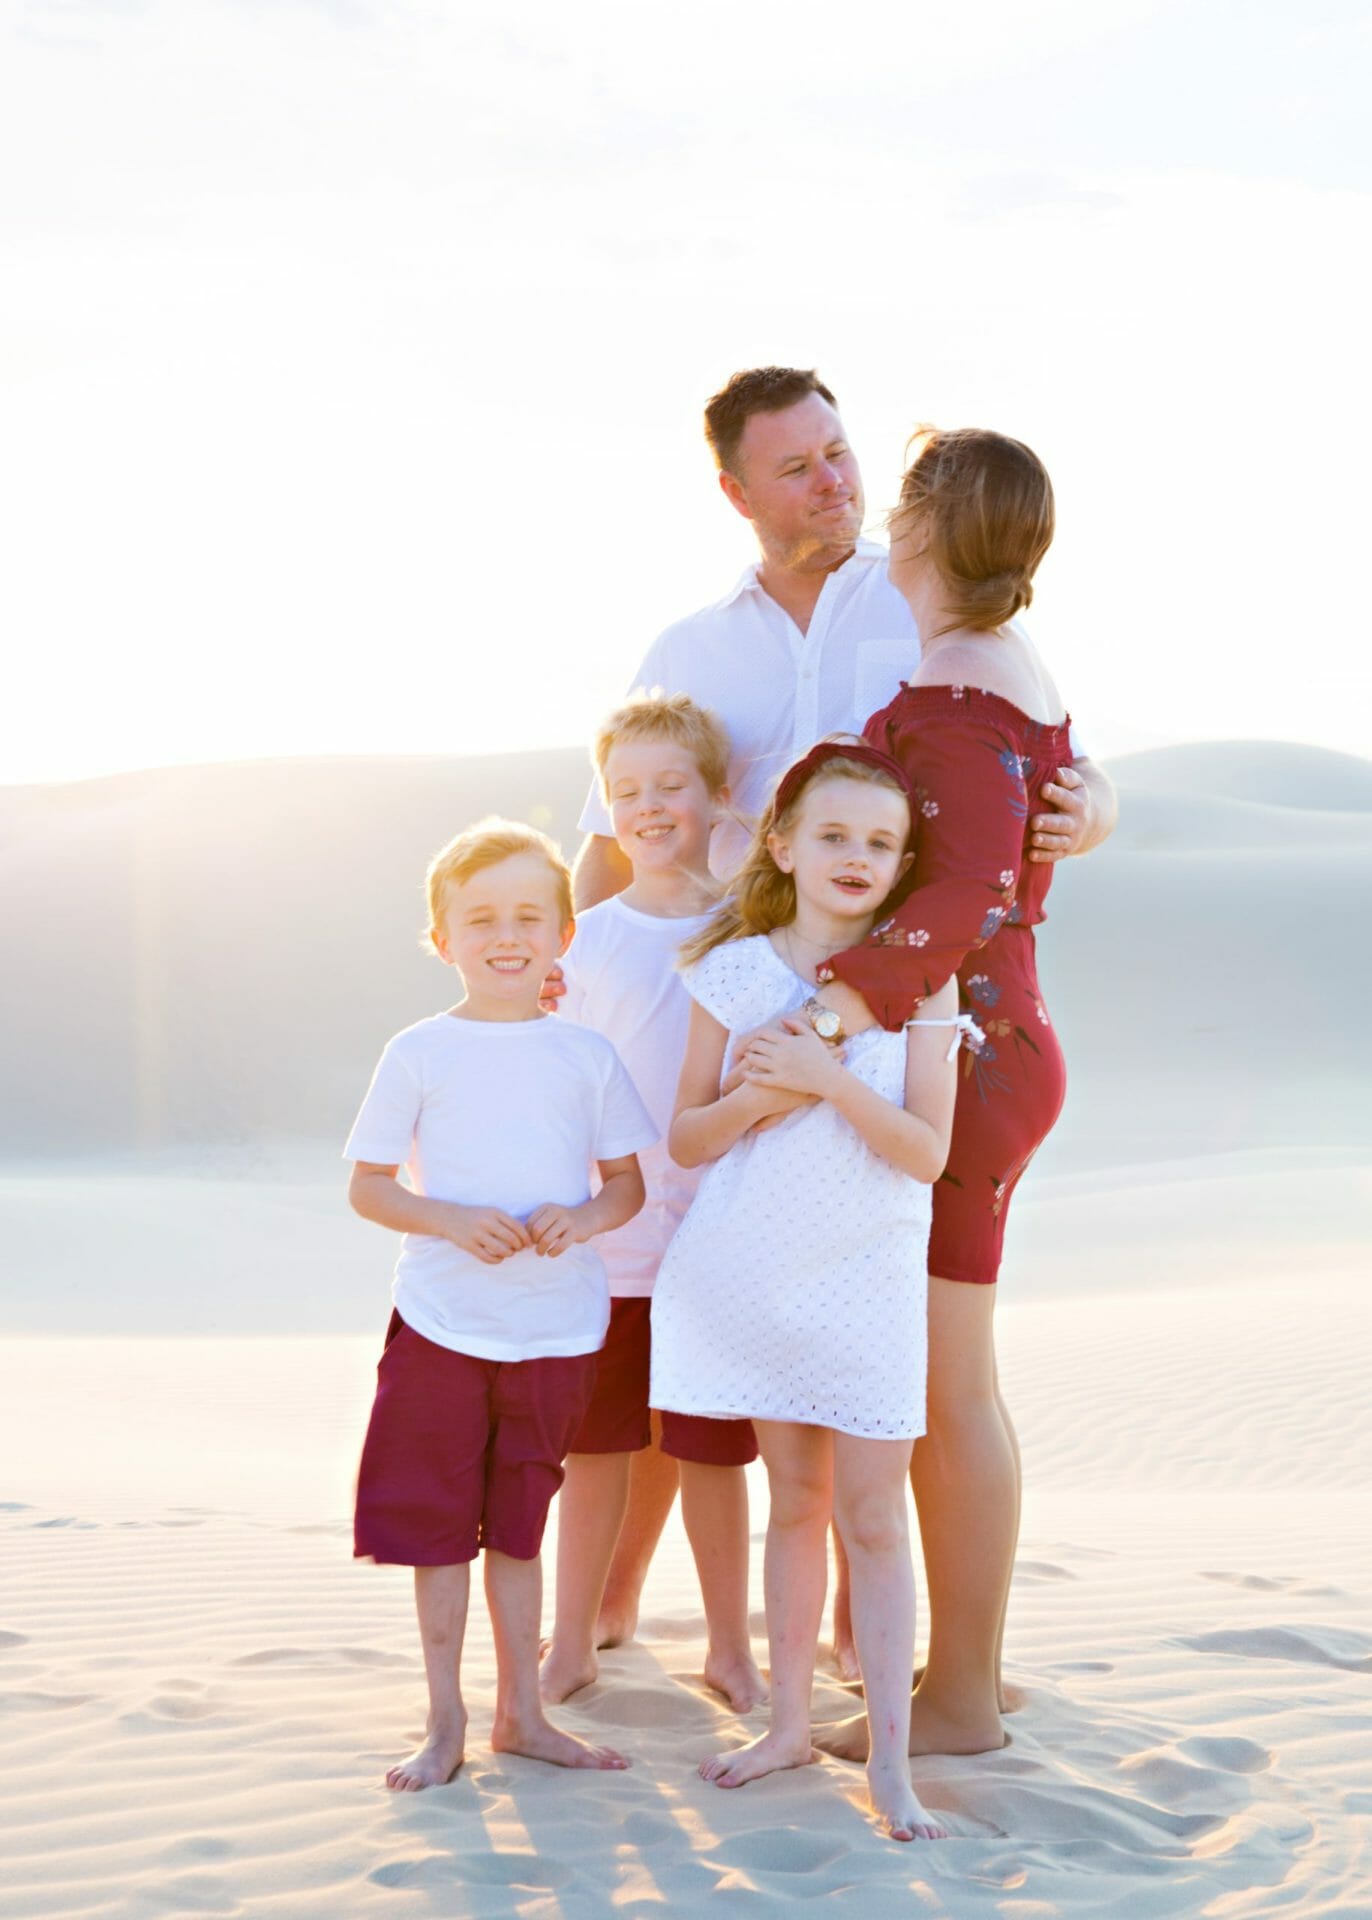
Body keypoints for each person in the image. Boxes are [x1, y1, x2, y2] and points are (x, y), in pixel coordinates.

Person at [569, 364, 1116, 1675]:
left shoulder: (932, 605)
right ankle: (613, 1610)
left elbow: (1031, 774)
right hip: (739, 1012)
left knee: (882, 1343)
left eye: (840, 452)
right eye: (798, 466)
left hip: (886, 1026)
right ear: (737, 491)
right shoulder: (689, 649)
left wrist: (1099, 806)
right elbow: (613, 827)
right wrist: (563, 1008)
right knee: (685, 1293)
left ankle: (877, 1643)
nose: (835, 482)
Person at [785, 426, 1076, 1762]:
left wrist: (835, 1008)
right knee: (961, 1385)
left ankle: (957, 1698)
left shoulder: (958, 688)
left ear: (921, 529)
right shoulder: (1006, 670)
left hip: (964, 1061)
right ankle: (970, 1673)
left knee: (947, 1392)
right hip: (988, 1046)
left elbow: (965, 892)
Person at [651, 743, 974, 1844]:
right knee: (791, 1503)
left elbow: (926, 1153)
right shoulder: (732, 971)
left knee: (872, 1517)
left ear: (902, 865)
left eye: (880, 843)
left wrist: (827, 1079)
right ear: (783, 845)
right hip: (753, 1271)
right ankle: (787, 1727)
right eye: (833, 834)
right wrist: (761, 1100)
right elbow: (687, 1138)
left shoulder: (920, 980)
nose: (856, 857)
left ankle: (890, 1765)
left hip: (866, 1278)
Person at [345, 819, 656, 1790]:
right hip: (441, 1325)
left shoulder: (586, 1056)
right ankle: (445, 1721)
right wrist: (445, 1218)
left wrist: (582, 1218)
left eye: (528, 916)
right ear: (444, 939)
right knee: (438, 1529)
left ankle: (522, 1715)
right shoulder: (418, 1052)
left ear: (564, 933)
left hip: (556, 1328)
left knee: (520, 1527)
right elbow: (368, 1187)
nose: (506, 936)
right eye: (480, 919)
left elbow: (626, 1188)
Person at [539, 693, 767, 1714]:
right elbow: (559, 1087)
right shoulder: (582, 943)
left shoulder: (753, 934)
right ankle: (570, 1643)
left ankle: (729, 1650)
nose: (649, 807)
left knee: (711, 1449)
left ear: (718, 797)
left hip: (721, 1237)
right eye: (625, 791)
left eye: (671, 785)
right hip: (615, 1245)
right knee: (595, 1451)